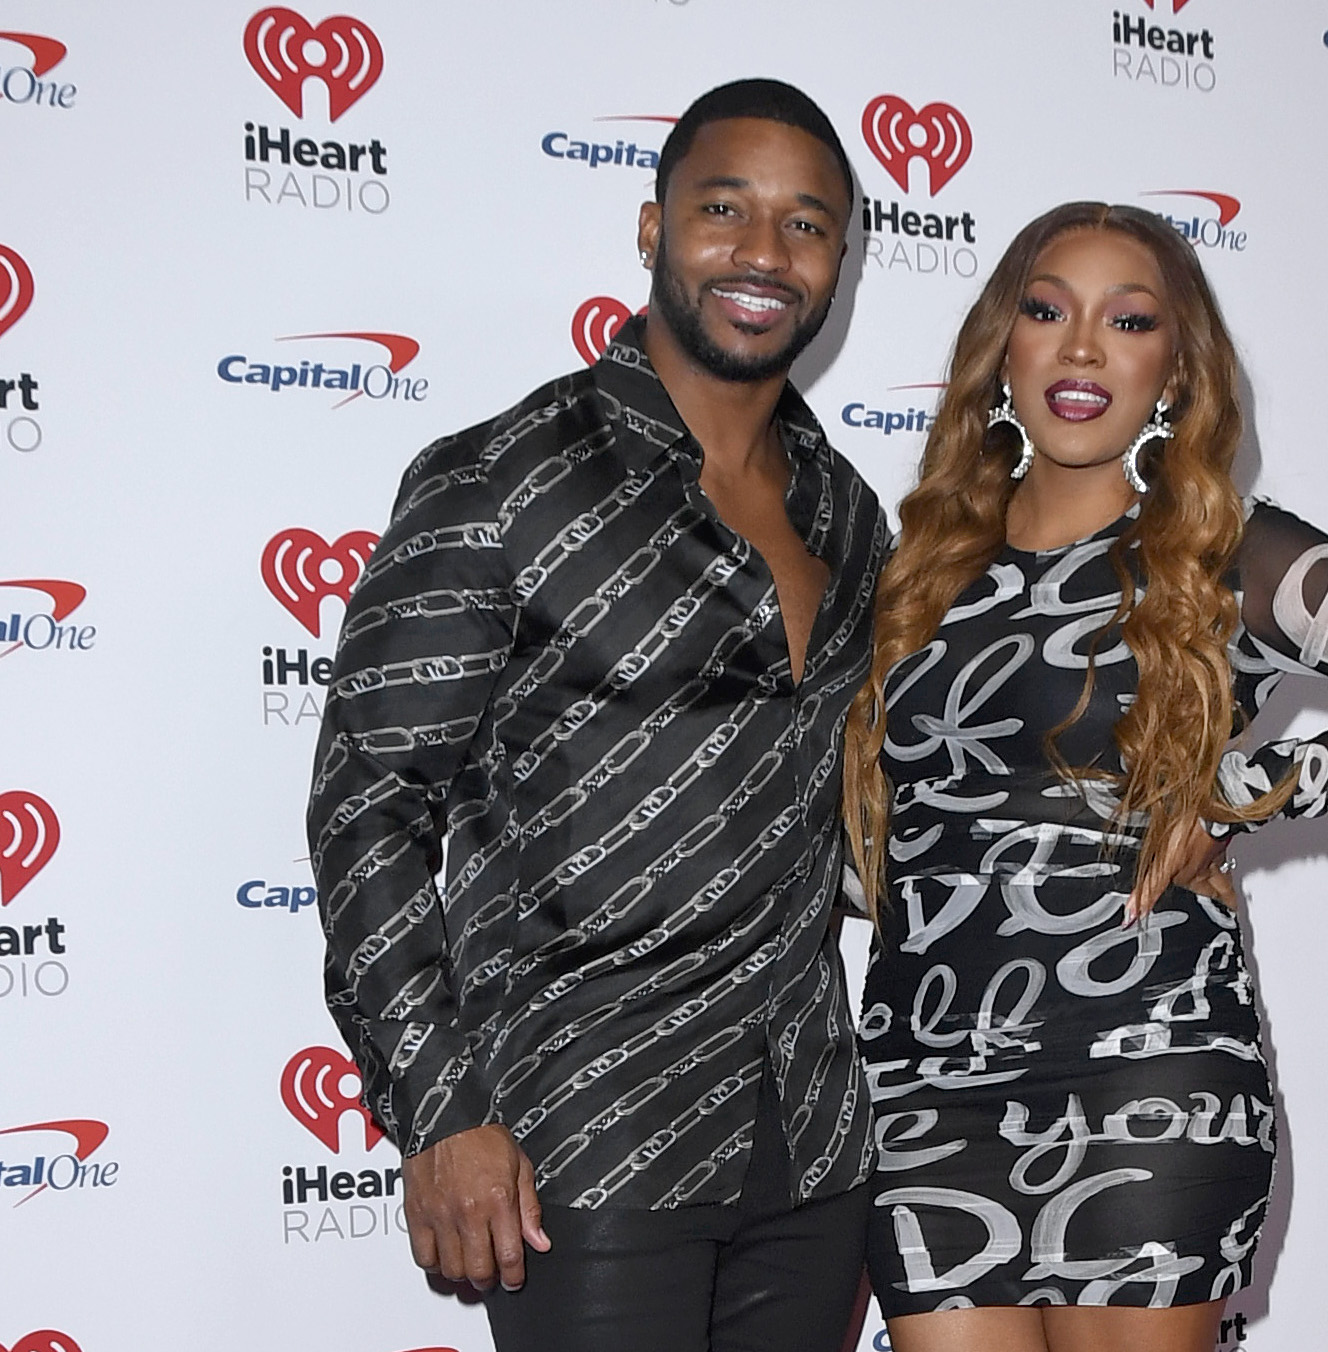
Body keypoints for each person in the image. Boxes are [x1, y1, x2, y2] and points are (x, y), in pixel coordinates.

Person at [842, 202, 1328, 1352]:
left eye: (1128, 320)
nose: (1081, 347)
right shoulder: (915, 566)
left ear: (1174, 371)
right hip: (924, 1084)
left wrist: (1236, 793)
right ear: (1000, 349)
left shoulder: (1228, 551)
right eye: (1045, 309)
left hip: (1149, 1074)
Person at [306, 79, 885, 1352]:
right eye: (723, 208)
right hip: (585, 1138)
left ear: (839, 260)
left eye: (806, 225)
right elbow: (370, 810)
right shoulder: (503, 479)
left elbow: (861, 804)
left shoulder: (850, 513)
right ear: (650, 227)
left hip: (814, 1136)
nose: (763, 254)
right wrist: (442, 1108)